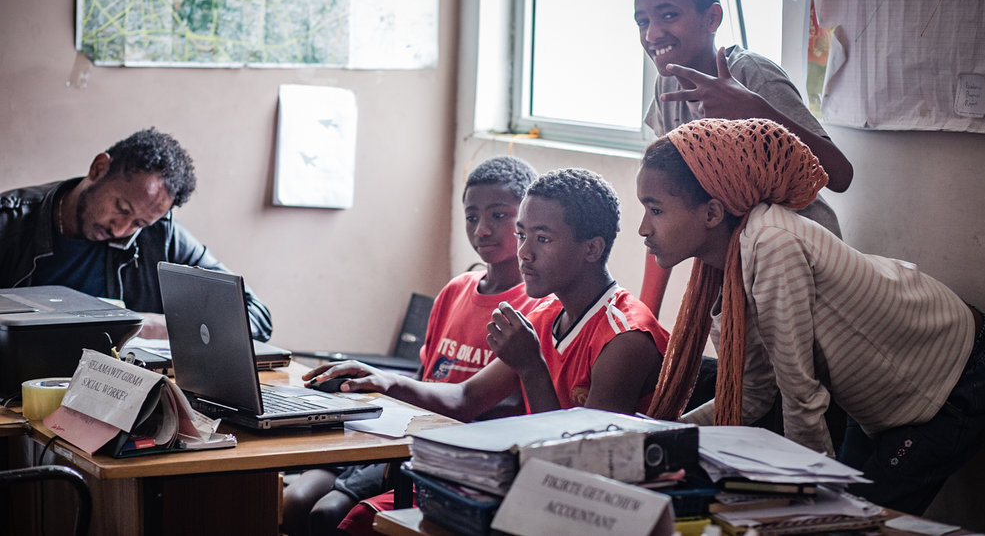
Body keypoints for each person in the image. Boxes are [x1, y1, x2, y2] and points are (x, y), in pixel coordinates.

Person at [637, 117, 985, 515]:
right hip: (890, 397)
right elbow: (753, 394)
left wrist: (806, 507)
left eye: (655, 210)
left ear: (711, 213)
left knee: (848, 520)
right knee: (839, 512)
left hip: (952, 378)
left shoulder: (773, 245)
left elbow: (801, 396)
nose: (643, 228)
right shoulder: (732, 263)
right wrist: (661, 438)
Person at [311, 167, 670, 534]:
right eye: (522, 234)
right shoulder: (548, 313)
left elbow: (583, 469)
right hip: (527, 484)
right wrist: (385, 382)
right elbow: (465, 397)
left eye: (543, 239)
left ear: (591, 248)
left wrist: (531, 368)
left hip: (583, 510)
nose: (525, 253)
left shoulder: (624, 336)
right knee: (356, 521)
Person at [280, 155, 541, 536]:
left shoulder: (533, 308)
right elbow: (424, 377)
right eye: (471, 216)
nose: (482, 229)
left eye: (499, 216)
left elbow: (496, 404)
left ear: (524, 221)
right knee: (295, 500)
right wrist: (365, 386)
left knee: (326, 513)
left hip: (457, 457)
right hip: (403, 437)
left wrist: (391, 385)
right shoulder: (455, 291)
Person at [629, 0, 853, 315]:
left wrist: (757, 111)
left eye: (669, 15)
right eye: (642, 21)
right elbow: (663, 201)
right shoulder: (666, 87)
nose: (653, 33)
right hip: (738, 267)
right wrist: (644, 316)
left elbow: (841, 175)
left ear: (711, 17)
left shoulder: (750, 75)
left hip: (801, 264)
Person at [0, 128, 272, 340]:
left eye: (139, 222)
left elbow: (256, 317)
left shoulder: (161, 235)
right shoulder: (8, 220)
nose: (120, 230)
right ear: (99, 169)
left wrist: (154, 325)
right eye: (121, 207)